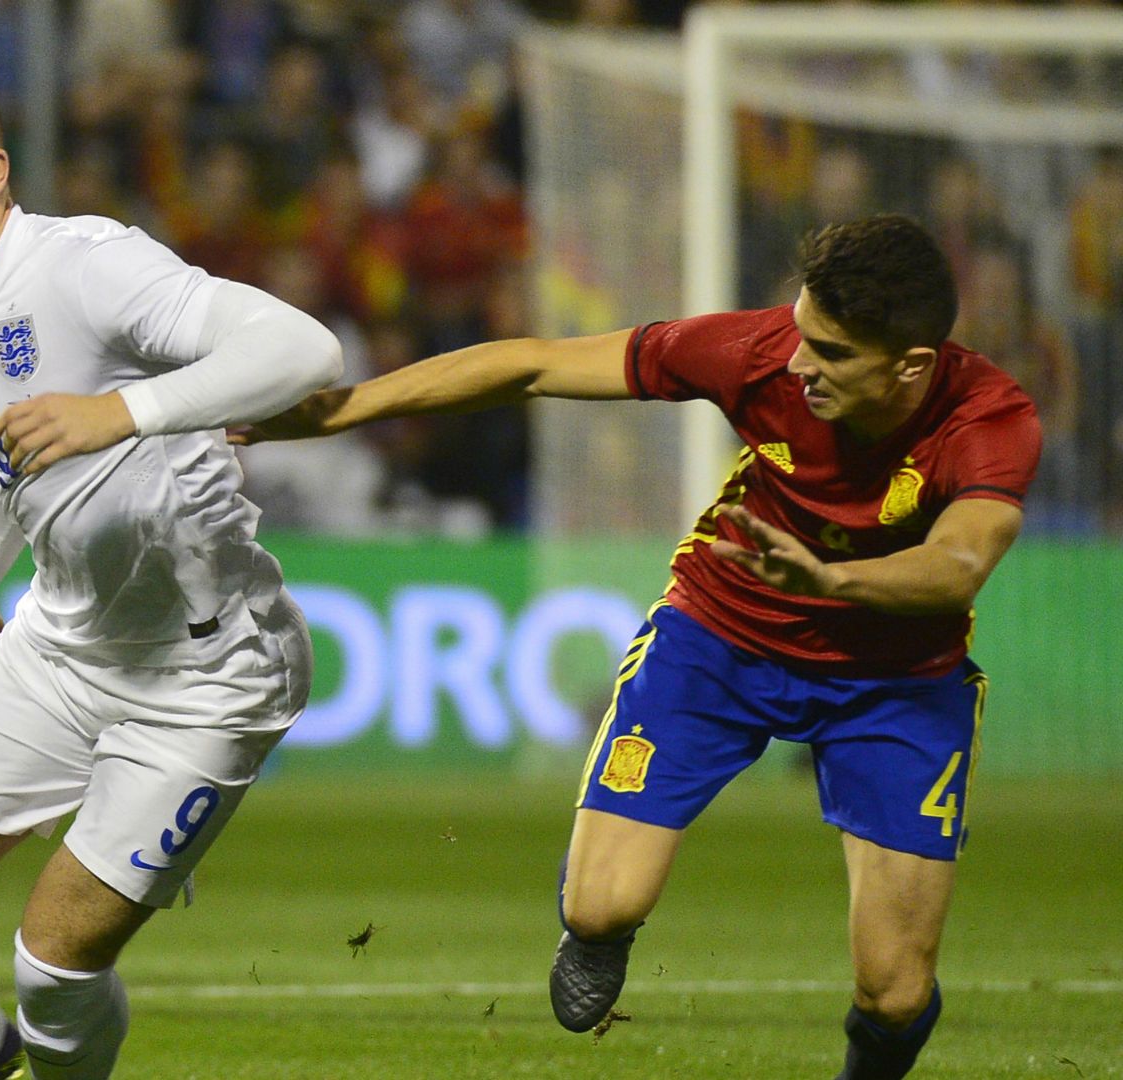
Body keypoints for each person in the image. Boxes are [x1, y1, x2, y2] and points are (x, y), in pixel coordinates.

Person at [240, 214, 1040, 1080]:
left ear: (912, 364)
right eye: (802, 333)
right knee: (601, 906)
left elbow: (958, 564)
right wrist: (344, 409)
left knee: (895, 991)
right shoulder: (753, 352)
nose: (800, 364)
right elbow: (534, 363)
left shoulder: (990, 418)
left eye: (833, 353)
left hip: (896, 680)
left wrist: (835, 583)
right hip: (721, 638)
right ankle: (593, 918)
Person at [0, 58, 342, 1080]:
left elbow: (304, 351)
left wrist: (119, 411)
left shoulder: (84, 267)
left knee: (53, 970)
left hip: (205, 673)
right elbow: (8, 455)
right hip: (65, 638)